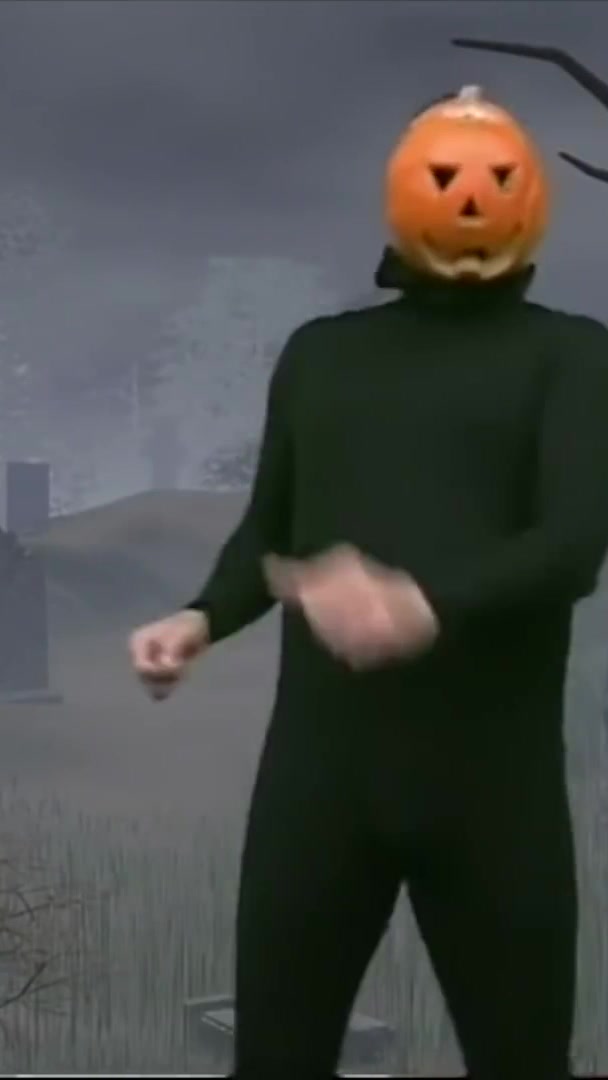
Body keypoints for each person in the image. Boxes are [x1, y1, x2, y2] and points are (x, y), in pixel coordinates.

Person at [129, 86, 608, 1079]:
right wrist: (200, 617)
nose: (468, 198)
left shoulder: (571, 355)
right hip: (320, 782)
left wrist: (421, 602)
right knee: (276, 1060)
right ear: (402, 195)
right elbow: (271, 530)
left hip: (493, 788)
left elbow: (571, 545)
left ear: (527, 201)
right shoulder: (322, 356)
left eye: (495, 177)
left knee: (522, 1062)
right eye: (444, 176)